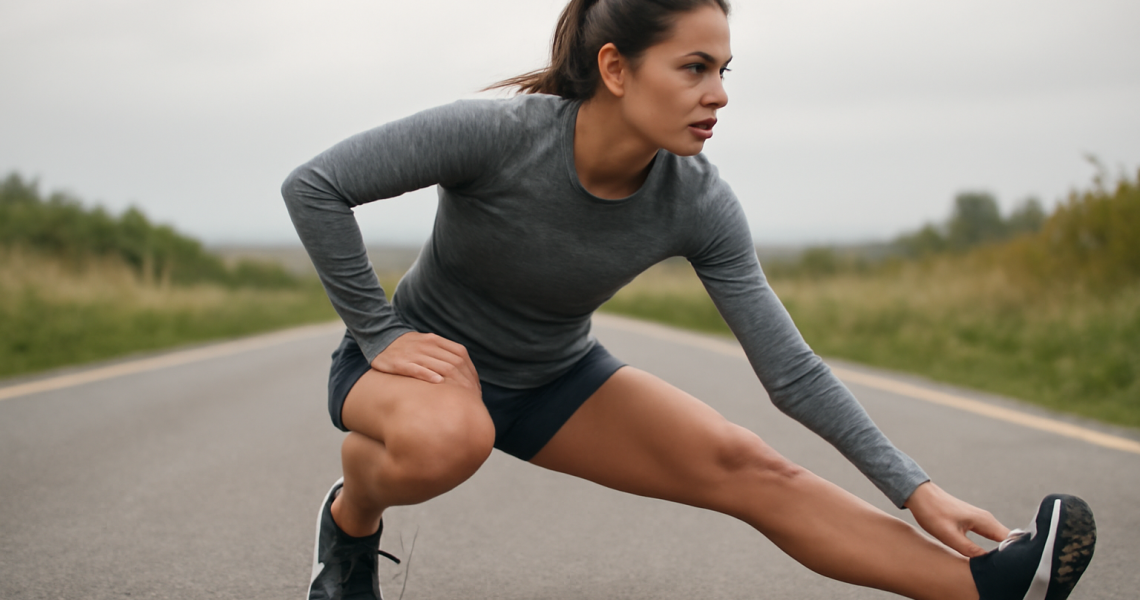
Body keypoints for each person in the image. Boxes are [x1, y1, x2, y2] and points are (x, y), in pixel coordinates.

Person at [282, 1, 1096, 599]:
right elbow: (316, 186)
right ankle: (351, 520)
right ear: (614, 69)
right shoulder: (501, 136)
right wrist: (379, 333)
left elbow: (792, 373)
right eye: (694, 68)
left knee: (749, 466)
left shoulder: (697, 201)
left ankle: (991, 586)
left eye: (724, 70)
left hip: (550, 379)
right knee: (452, 437)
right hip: (417, 374)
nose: (719, 94)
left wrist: (918, 490)